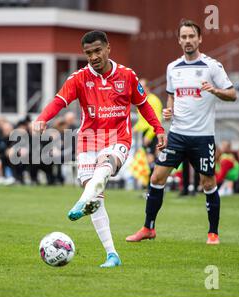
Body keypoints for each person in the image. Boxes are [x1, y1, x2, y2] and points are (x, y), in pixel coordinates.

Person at [32, 30, 165, 267]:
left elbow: (143, 105)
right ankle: (112, 254)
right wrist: (43, 118)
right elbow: (58, 101)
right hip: (88, 140)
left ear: (108, 48)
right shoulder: (79, 78)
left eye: (97, 51)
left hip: (118, 138)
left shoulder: (127, 76)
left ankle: (81, 202)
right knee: (96, 198)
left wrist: (159, 130)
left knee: (105, 167)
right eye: (88, 53)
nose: (93, 56)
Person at [126, 19, 237, 245]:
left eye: (191, 36)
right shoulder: (172, 68)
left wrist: (214, 90)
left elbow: (232, 94)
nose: (188, 40)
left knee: (208, 183)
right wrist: (169, 111)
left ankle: (213, 233)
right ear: (179, 40)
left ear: (199, 39)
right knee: (156, 177)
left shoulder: (212, 66)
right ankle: (148, 228)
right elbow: (171, 95)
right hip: (177, 134)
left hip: (203, 136)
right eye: (184, 37)